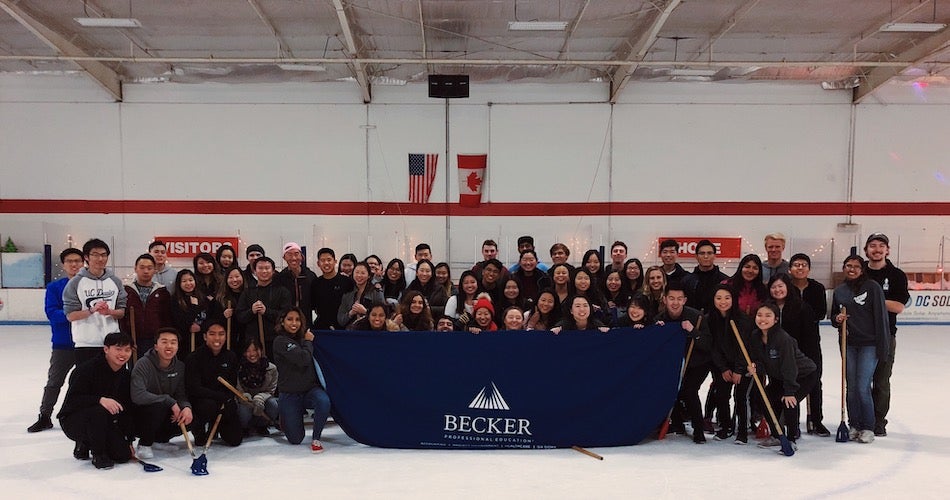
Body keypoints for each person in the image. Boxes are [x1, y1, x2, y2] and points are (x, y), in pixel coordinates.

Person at [831, 255, 890, 444]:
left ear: (862, 269)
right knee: (851, 387)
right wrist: (837, 319)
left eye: (856, 266)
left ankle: (868, 427)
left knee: (863, 387)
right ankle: (854, 424)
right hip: (849, 344)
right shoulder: (840, 291)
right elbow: (833, 316)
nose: (852, 269)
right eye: (848, 265)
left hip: (869, 344)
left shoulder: (872, 287)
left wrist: (883, 348)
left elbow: (881, 318)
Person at [57, 332, 134, 470]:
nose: (123, 354)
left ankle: (90, 442)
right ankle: (97, 453)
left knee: (123, 456)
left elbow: (127, 408)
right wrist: (99, 400)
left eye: (127, 350)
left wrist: (128, 440)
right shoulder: (86, 370)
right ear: (106, 349)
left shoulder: (126, 375)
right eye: (118, 349)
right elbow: (73, 401)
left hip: (106, 421)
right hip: (75, 420)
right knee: (98, 411)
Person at [28, 247, 84, 433]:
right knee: (55, 381)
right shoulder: (55, 287)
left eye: (77, 261)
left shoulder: (89, 286)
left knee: (86, 381)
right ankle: (45, 415)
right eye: (70, 261)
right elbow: (52, 313)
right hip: (64, 343)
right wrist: (74, 314)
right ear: (64, 265)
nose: (74, 264)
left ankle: (82, 414)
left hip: (88, 342)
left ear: (83, 263)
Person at [748, 302, 817, 452]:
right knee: (765, 398)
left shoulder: (783, 339)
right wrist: (755, 367)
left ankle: (791, 439)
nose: (763, 319)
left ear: (776, 319)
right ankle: (777, 435)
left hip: (803, 375)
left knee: (789, 401)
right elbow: (761, 361)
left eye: (768, 316)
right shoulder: (755, 336)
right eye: (759, 315)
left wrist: (790, 391)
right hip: (780, 376)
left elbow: (789, 366)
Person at [767, 273, 826, 437]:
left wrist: (809, 360)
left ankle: (797, 429)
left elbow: (810, 338)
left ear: (788, 287)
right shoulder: (767, 309)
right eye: (773, 287)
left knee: (792, 392)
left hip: (800, 360)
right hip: (777, 360)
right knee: (776, 391)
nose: (777, 290)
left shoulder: (802, 308)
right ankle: (779, 428)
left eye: (780, 286)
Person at [863, 233, 909, 437]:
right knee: (860, 382)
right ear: (866, 250)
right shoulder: (860, 272)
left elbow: (898, 306)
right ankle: (861, 418)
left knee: (881, 381)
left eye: (881, 246)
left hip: (885, 335)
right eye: (873, 245)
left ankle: (878, 420)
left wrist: (871, 300)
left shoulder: (896, 275)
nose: (877, 249)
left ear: (887, 250)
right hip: (860, 336)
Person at [655, 282, 711, 444]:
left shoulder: (696, 317)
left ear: (685, 300)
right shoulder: (660, 319)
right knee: (672, 389)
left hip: (698, 363)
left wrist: (693, 331)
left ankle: (698, 429)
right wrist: (658, 332)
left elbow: (707, 345)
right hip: (674, 364)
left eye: (679, 299)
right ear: (665, 299)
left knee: (689, 391)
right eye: (671, 298)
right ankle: (677, 423)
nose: (675, 302)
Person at [272, 307, 332, 452]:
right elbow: (303, 359)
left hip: (309, 390)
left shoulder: (305, 338)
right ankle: (284, 416)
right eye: (290, 319)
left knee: (323, 401)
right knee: (296, 439)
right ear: (282, 321)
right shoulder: (280, 341)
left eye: (297, 320)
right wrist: (308, 342)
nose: (294, 323)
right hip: (290, 394)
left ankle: (316, 438)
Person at [130, 328, 192, 460]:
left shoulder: (180, 366)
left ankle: (160, 440)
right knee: (159, 406)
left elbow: (180, 394)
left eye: (173, 342)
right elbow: (137, 395)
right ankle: (144, 444)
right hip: (142, 413)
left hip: (166, 411)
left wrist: (186, 407)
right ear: (156, 346)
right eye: (164, 342)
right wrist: (169, 401)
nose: (169, 346)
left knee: (191, 412)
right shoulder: (143, 364)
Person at [63, 238, 127, 366]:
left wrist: (109, 311)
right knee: (87, 378)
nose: (100, 259)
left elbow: (121, 312)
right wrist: (92, 310)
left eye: (104, 255)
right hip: (85, 344)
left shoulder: (115, 281)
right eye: (95, 255)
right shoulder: (75, 283)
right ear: (86, 257)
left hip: (112, 343)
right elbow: (70, 316)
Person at [788, 253, 829, 436]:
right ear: (790, 269)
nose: (800, 268)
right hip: (790, 340)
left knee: (814, 379)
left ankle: (815, 420)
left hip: (811, 340)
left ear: (809, 269)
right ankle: (793, 422)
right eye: (796, 264)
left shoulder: (817, 288)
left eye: (804, 264)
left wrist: (802, 314)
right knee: (792, 380)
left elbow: (820, 313)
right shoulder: (786, 287)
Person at [708, 284, 754, 444]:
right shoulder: (710, 319)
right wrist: (723, 368)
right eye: (719, 298)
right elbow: (713, 347)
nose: (723, 302)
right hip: (723, 365)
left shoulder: (743, 320)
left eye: (727, 298)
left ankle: (742, 431)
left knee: (740, 397)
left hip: (743, 364)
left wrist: (739, 370)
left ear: (733, 299)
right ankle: (726, 426)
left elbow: (745, 347)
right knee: (721, 395)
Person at [186, 322, 243, 447]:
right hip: (203, 402)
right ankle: (199, 430)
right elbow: (194, 389)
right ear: (205, 336)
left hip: (223, 401)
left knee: (235, 439)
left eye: (221, 334)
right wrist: (219, 396)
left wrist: (227, 399)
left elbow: (232, 384)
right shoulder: (194, 358)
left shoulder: (230, 356)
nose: (217, 338)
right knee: (208, 406)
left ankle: (216, 427)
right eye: (212, 334)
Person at [121, 254, 172, 356]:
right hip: (132, 340)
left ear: (155, 270)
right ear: (135, 269)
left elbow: (167, 318)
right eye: (142, 267)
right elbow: (122, 318)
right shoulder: (126, 291)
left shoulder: (162, 292)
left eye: (149, 268)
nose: (146, 271)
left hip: (155, 340)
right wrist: (125, 338)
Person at [236, 257, 292, 349]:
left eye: (267, 268)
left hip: (276, 340)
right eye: (260, 268)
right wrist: (251, 311)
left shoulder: (282, 292)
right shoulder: (248, 292)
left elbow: (286, 316)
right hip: (252, 342)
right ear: (255, 271)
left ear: (273, 271)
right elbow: (240, 316)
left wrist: (266, 312)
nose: (264, 271)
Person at [170, 269, 219, 358]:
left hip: (202, 339)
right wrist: (193, 307)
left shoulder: (203, 298)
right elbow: (180, 322)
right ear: (179, 284)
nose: (188, 283)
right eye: (184, 281)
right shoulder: (175, 300)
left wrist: (201, 327)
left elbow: (210, 318)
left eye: (190, 280)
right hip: (185, 341)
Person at [235, 337, 279, 436]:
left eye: (255, 350)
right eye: (248, 351)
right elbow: (237, 389)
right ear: (244, 353)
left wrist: (260, 398)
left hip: (263, 401)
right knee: (243, 411)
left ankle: (262, 426)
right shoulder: (238, 368)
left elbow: (271, 390)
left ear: (261, 350)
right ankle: (245, 427)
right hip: (246, 402)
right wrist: (244, 396)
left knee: (273, 404)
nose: (252, 354)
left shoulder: (271, 368)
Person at [275, 242, 317, 329]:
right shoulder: (280, 278)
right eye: (289, 254)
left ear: (301, 256)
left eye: (296, 254)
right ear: (284, 257)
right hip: (286, 324)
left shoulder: (310, 276)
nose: (293, 258)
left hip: (306, 322)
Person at [311, 248, 355, 330]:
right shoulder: (315, 283)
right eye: (322, 260)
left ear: (335, 261)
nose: (326, 263)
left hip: (344, 328)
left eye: (329, 260)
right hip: (322, 328)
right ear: (318, 264)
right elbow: (313, 307)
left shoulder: (347, 281)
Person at [681, 239, 728, 314]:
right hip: (692, 319)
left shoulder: (724, 281)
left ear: (714, 256)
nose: (706, 256)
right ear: (696, 256)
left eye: (709, 253)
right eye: (702, 253)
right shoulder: (686, 281)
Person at [338, 261, 385, 328]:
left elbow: (383, 315)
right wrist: (351, 313)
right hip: (350, 331)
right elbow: (341, 320)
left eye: (363, 273)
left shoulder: (376, 291)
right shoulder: (348, 291)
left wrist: (366, 312)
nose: (359, 275)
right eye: (357, 272)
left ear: (369, 275)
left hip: (371, 330)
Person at [217, 266, 248, 349]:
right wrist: (223, 316)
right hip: (228, 338)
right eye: (230, 277)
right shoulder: (220, 298)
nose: (234, 280)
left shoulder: (250, 295)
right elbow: (213, 320)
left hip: (246, 337)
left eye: (237, 276)